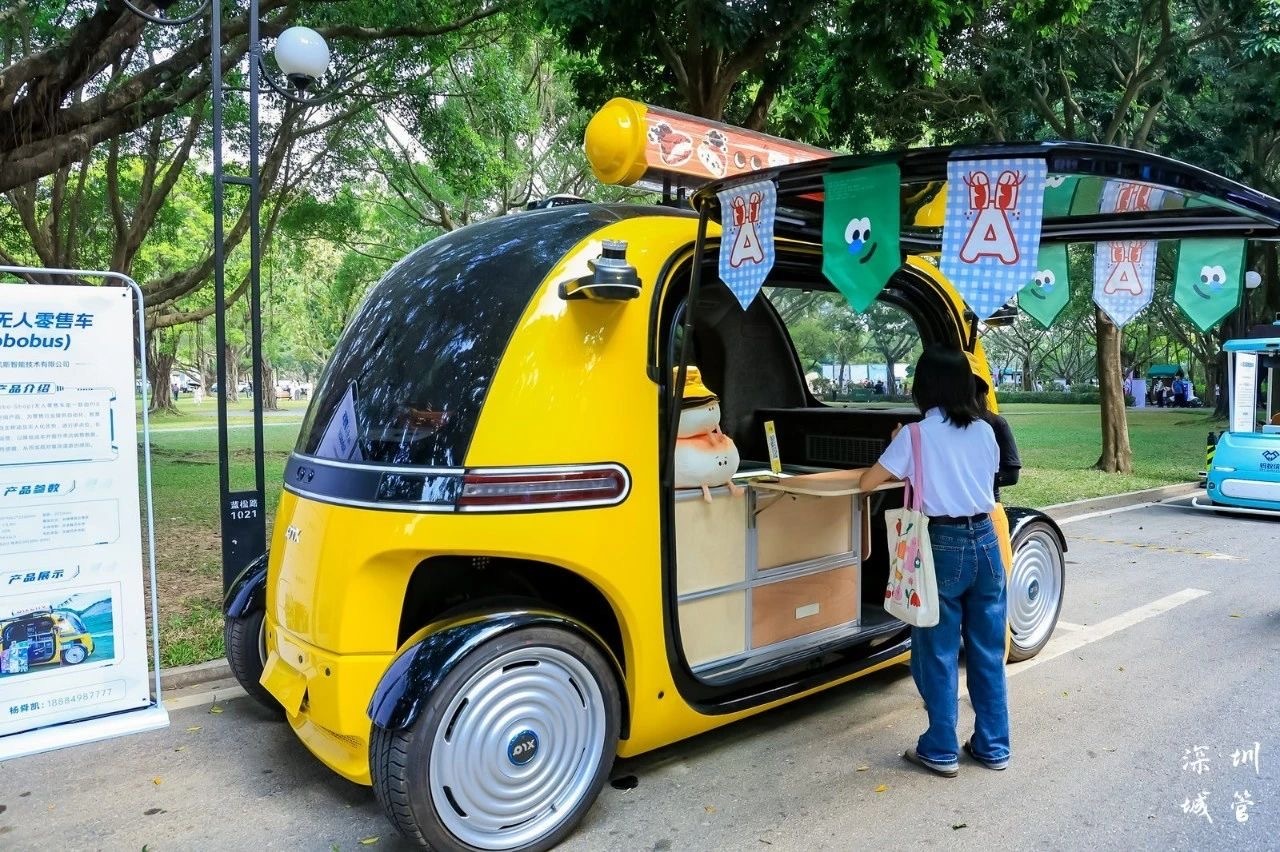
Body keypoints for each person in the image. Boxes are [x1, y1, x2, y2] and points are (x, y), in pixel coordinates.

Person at [860, 346, 1007, 777]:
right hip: (986, 541)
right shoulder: (986, 431)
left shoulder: (914, 435)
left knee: (938, 651)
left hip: (940, 546)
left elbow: (870, 481)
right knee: (986, 651)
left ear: (922, 387)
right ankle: (993, 745)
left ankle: (941, 748)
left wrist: (897, 449)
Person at [967, 353, 1021, 501]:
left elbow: (1011, 475)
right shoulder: (938, 425)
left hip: (987, 506)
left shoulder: (995, 423)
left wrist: (968, 481)